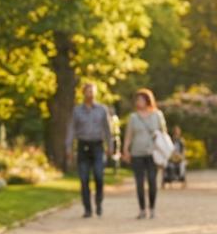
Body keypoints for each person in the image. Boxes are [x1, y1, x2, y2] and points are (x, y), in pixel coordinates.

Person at [66, 82, 115, 218]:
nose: (90, 94)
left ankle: (99, 202)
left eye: (92, 91)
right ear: (84, 93)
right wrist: (68, 147)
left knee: (99, 176)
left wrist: (110, 146)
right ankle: (87, 208)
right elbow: (71, 129)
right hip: (83, 146)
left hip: (97, 146)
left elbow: (107, 129)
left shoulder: (102, 110)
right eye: (88, 91)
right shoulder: (77, 111)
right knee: (84, 178)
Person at [121, 89, 168, 219]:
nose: (138, 102)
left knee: (152, 181)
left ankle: (152, 208)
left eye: (141, 99)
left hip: (153, 153)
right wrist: (126, 150)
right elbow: (129, 135)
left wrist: (164, 150)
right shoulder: (133, 117)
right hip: (137, 152)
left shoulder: (157, 115)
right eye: (137, 100)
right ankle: (142, 209)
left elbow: (163, 133)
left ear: (148, 100)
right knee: (139, 182)